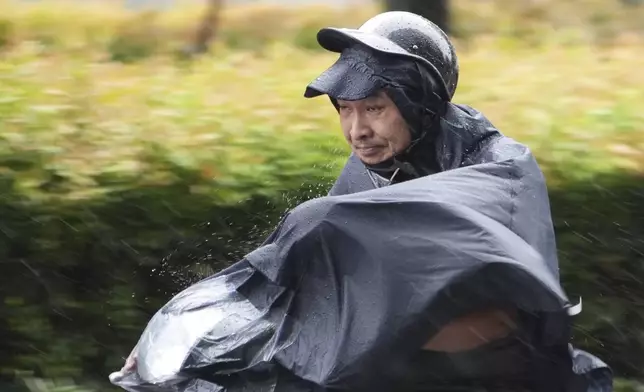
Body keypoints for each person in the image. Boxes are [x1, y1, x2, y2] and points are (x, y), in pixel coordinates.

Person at [301, 10, 612, 392]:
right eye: (345, 109)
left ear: (418, 103)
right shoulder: (373, 165)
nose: (357, 131)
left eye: (374, 108)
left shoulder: (502, 171)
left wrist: (374, 324)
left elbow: (497, 320)